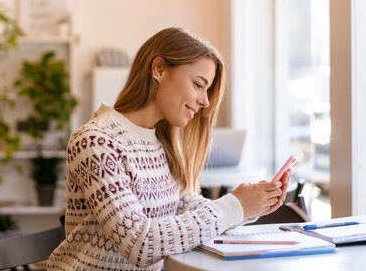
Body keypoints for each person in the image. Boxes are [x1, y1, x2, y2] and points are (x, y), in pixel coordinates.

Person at [47, 28, 290, 270]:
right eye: (198, 84)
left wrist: (251, 205)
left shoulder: (158, 142)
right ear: (159, 69)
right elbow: (139, 244)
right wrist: (235, 206)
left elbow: (184, 208)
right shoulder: (96, 142)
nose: (205, 101)